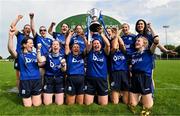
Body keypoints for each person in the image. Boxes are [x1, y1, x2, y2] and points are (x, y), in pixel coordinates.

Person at [8, 26, 42, 107]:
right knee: (28, 106)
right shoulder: (20, 54)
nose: (32, 45)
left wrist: (38, 51)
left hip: (36, 80)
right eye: (30, 43)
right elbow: (10, 49)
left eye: (32, 43)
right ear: (24, 45)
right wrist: (10, 37)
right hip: (25, 81)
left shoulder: (35, 54)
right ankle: (25, 95)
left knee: (37, 104)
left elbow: (40, 62)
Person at [129, 36, 159, 115]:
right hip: (134, 78)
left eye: (139, 41)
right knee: (132, 104)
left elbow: (156, 40)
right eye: (136, 41)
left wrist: (151, 28)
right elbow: (132, 66)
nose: (136, 42)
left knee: (147, 107)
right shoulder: (133, 54)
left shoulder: (149, 52)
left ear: (144, 43)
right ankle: (140, 97)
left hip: (144, 78)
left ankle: (147, 96)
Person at [84, 27, 110, 106]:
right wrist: (90, 35)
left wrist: (101, 34)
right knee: (88, 104)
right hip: (90, 80)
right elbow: (88, 45)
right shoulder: (89, 52)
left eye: (98, 43)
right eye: (94, 43)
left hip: (102, 80)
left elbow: (108, 45)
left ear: (100, 44)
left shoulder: (104, 52)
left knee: (103, 104)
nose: (96, 45)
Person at [37, 40, 66, 105]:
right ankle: (50, 94)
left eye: (57, 44)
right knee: (47, 103)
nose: (55, 46)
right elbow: (40, 60)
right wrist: (38, 50)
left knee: (59, 103)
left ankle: (56, 94)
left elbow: (64, 70)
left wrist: (63, 64)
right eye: (53, 44)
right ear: (51, 46)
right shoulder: (47, 55)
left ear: (59, 47)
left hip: (59, 79)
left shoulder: (63, 56)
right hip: (49, 79)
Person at [65, 29, 88, 105]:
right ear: (71, 48)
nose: (76, 48)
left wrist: (84, 38)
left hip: (81, 79)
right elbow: (66, 44)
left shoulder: (82, 55)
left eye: (77, 47)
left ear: (79, 49)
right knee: (70, 104)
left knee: (80, 103)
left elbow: (87, 47)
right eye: (74, 47)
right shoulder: (69, 55)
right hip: (71, 79)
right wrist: (70, 35)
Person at [10, 15, 32, 90]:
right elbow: (12, 26)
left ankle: (28, 89)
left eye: (29, 28)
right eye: (26, 28)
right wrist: (18, 18)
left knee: (28, 75)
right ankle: (19, 91)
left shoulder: (31, 39)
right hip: (19, 58)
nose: (28, 29)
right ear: (23, 30)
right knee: (19, 76)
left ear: (30, 30)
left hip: (29, 58)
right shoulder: (19, 35)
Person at [29, 13, 53, 83]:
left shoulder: (50, 40)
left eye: (44, 30)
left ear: (46, 31)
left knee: (49, 79)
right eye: (41, 30)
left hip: (49, 62)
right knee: (41, 79)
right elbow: (33, 29)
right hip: (41, 62)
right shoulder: (38, 38)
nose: (43, 31)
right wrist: (32, 18)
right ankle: (40, 92)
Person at [109, 27, 129, 104]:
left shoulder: (123, 52)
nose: (117, 44)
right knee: (115, 102)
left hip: (124, 73)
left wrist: (117, 35)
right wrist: (117, 34)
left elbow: (122, 44)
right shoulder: (111, 52)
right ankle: (113, 94)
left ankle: (121, 93)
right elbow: (114, 46)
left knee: (126, 101)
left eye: (117, 43)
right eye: (115, 42)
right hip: (114, 73)